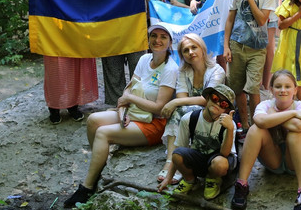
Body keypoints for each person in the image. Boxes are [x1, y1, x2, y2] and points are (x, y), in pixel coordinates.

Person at [63, 22, 178, 208]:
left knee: (103, 133)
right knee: (93, 120)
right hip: (133, 113)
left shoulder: (170, 69)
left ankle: (87, 186)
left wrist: (129, 98)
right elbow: (127, 92)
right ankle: (98, 166)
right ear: (148, 40)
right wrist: (123, 111)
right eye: (154, 36)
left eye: (163, 37)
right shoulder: (143, 60)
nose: (158, 40)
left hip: (152, 124)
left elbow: (159, 108)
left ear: (170, 43)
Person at [231, 70, 301, 210]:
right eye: (278, 86)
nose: (283, 90)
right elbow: (259, 121)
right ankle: (241, 184)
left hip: (299, 157)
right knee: (255, 129)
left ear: (295, 90)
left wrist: (274, 116)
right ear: (271, 89)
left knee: (295, 133)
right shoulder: (265, 105)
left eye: (287, 86)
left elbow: (299, 125)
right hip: (274, 159)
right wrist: (293, 114)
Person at [39, 0, 97, 123]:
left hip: (79, 31)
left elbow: (94, 0)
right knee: (57, 68)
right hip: (55, 32)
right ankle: (54, 107)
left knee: (76, 68)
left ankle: (73, 105)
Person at [157, 34, 225, 185]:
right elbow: (182, 97)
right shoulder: (183, 71)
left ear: (202, 48)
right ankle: (171, 160)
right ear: (182, 55)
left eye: (194, 47)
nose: (190, 52)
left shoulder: (217, 70)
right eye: (185, 50)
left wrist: (175, 101)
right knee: (178, 111)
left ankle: (178, 162)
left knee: (178, 110)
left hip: (213, 113)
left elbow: (208, 100)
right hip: (189, 112)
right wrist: (177, 102)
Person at [224, 0, 277, 135]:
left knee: (253, 88)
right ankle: (245, 125)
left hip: (257, 49)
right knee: (237, 87)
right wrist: (226, 47)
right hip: (237, 45)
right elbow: (230, 21)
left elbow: (262, 20)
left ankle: (257, 124)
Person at [158, 84, 237, 201]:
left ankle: (214, 180)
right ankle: (190, 180)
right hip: (198, 157)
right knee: (177, 155)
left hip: (218, 160)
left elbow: (225, 154)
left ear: (226, 110)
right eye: (215, 98)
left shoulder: (229, 125)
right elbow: (179, 149)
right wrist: (168, 178)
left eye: (223, 103)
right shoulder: (189, 119)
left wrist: (230, 129)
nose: (217, 104)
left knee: (220, 163)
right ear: (208, 98)